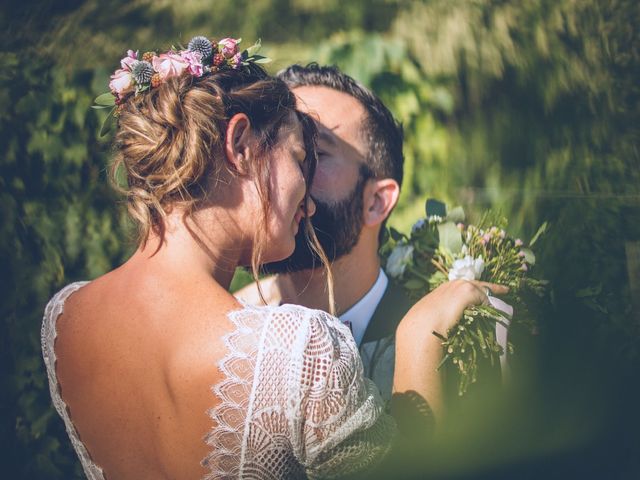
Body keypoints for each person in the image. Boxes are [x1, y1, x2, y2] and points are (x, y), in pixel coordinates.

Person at [41, 36, 505, 479]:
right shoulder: (297, 346)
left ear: (378, 202)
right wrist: (421, 342)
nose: (305, 194)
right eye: (301, 153)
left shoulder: (65, 319)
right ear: (240, 145)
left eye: (317, 156)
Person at [235, 64, 410, 400]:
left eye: (315, 153)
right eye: (275, 149)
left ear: (376, 201)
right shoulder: (232, 327)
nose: (288, 173)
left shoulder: (444, 336)